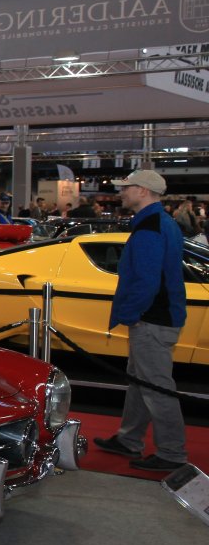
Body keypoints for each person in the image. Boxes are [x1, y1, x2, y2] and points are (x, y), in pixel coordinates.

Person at [92, 170, 190, 472]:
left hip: (152, 320)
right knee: (139, 382)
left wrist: (131, 314)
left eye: (127, 188)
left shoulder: (150, 226)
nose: (121, 193)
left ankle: (172, 452)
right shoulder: (161, 222)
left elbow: (146, 281)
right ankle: (129, 439)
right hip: (158, 317)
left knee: (156, 387)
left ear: (143, 191)